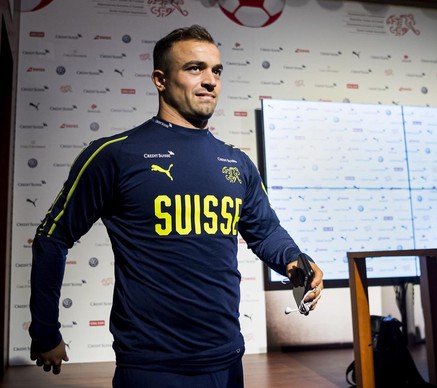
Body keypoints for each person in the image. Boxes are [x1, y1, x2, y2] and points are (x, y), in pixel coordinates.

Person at [29, 24, 324, 387]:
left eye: (216, 70)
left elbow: (265, 232)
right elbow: (52, 238)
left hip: (227, 357)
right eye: (194, 68)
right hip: (151, 365)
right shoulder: (115, 155)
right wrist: (45, 330)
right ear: (160, 79)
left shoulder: (237, 163)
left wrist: (293, 259)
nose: (210, 80)